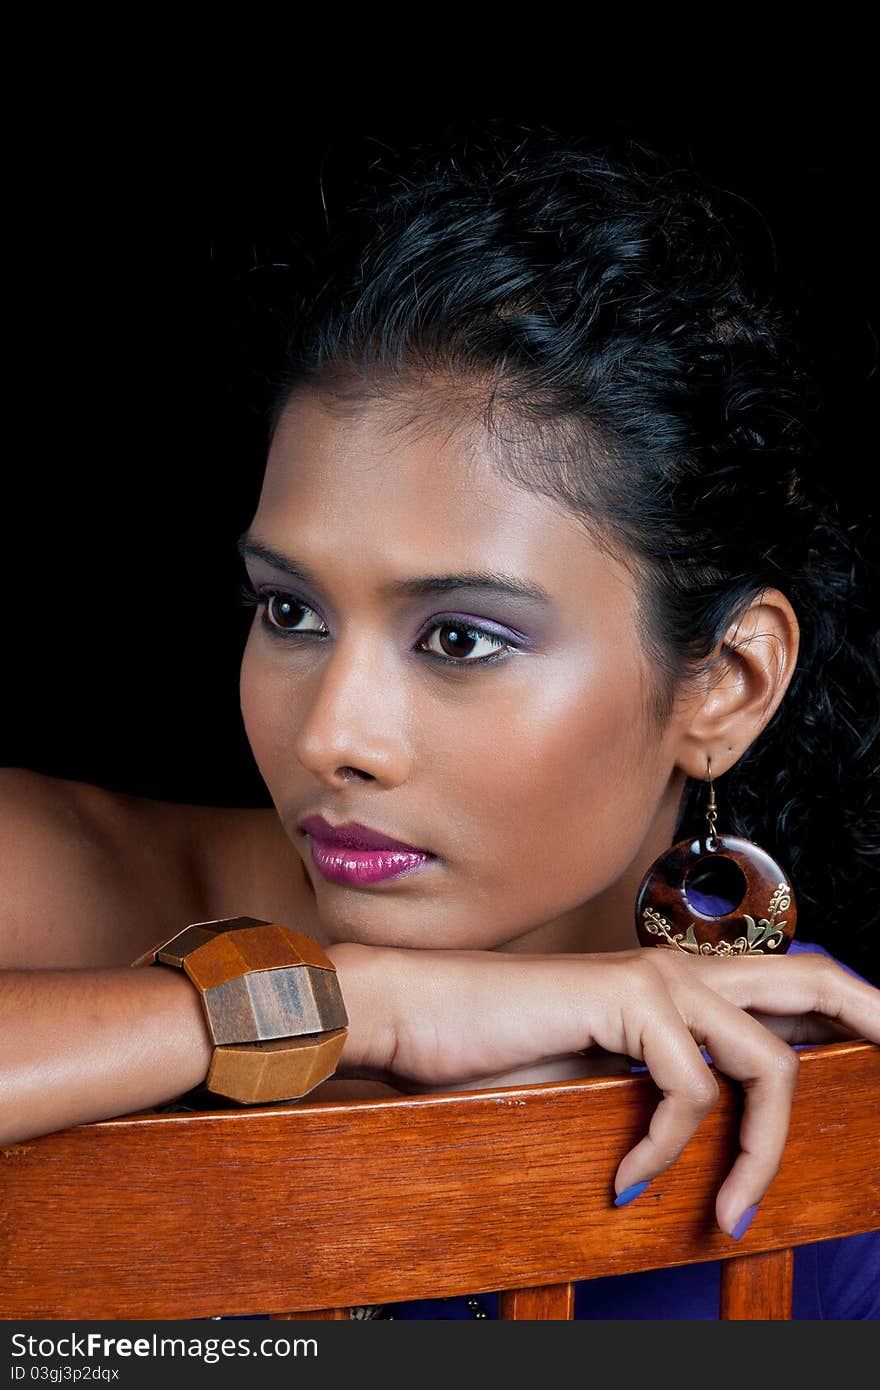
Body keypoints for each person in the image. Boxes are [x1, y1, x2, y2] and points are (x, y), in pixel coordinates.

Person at [1, 121, 878, 1321]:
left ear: (725, 683)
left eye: (461, 638)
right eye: (290, 611)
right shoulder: (67, 880)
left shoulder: (822, 1101)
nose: (331, 737)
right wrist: (349, 999)